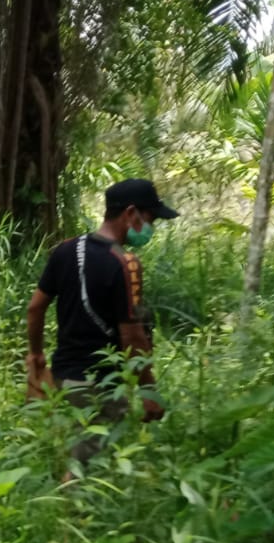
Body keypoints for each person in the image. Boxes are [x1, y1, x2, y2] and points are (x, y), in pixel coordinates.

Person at [25, 178, 178, 468]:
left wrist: (36, 353)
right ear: (130, 213)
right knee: (89, 468)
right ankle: (67, 509)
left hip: (62, 378)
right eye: (150, 219)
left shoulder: (66, 250)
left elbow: (35, 309)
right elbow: (133, 338)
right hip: (100, 385)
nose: (151, 228)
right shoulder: (124, 263)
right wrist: (149, 392)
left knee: (69, 453)